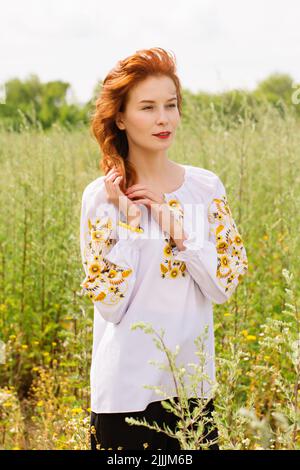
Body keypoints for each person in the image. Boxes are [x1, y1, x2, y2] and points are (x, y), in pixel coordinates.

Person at [79, 47, 248, 451]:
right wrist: (132, 224)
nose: (163, 118)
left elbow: (224, 284)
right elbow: (110, 305)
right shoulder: (101, 198)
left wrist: (177, 229)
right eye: (148, 107)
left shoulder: (205, 188)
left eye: (171, 105)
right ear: (120, 117)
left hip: (191, 390)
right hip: (123, 392)